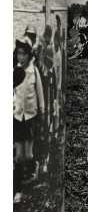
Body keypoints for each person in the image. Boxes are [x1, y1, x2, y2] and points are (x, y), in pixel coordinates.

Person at [13, 38, 45, 203]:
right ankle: (17, 191)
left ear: (29, 55)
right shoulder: (14, 71)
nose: (20, 57)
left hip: (30, 117)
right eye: (18, 54)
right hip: (17, 116)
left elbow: (39, 92)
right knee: (18, 157)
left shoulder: (34, 71)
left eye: (23, 54)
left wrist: (42, 109)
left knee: (28, 154)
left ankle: (34, 166)